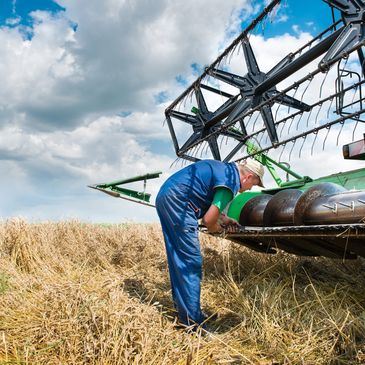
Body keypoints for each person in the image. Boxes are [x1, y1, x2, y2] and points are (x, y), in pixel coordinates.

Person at [155, 158, 264, 329]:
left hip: (169, 196)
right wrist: (217, 230)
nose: (249, 189)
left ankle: (187, 313)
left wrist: (224, 219)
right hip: (179, 202)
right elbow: (208, 220)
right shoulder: (230, 182)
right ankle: (192, 324)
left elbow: (206, 200)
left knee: (179, 259)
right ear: (247, 177)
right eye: (252, 185)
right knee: (190, 262)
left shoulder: (223, 170)